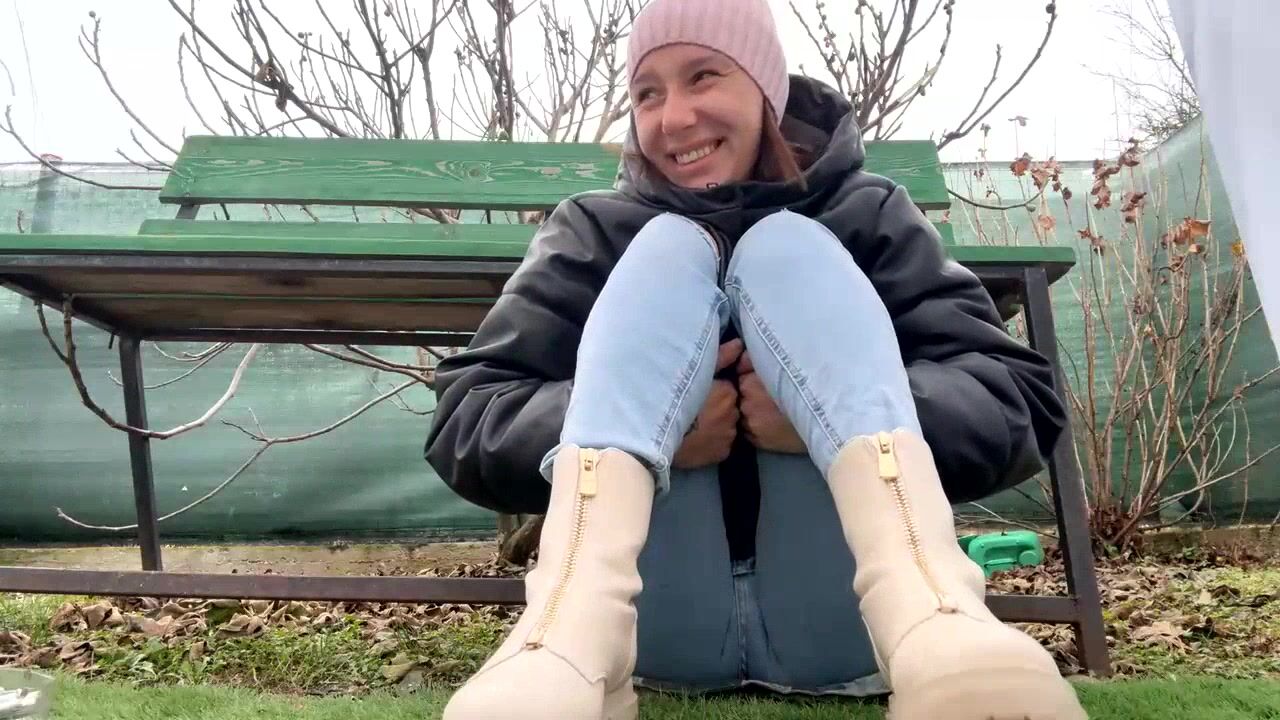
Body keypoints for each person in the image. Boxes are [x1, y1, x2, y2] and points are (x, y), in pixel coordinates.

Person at [425, 0, 1088, 718]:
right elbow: (470, 419)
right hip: (650, 625)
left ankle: (934, 616)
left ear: (766, 89)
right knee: (666, 249)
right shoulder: (594, 231)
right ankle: (569, 636)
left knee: (786, 246)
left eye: (703, 76)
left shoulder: (868, 215)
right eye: (647, 93)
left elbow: (1015, 402)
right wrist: (656, 428)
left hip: (849, 624)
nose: (673, 117)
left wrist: (820, 415)